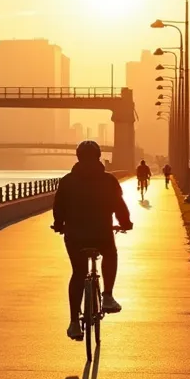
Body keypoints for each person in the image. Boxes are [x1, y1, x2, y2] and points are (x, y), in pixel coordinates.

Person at [51, 140, 133, 341]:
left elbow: (58, 207)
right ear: (98, 157)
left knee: (78, 273)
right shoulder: (108, 181)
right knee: (110, 254)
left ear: (78, 157)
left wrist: (59, 224)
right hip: (101, 232)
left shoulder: (67, 181)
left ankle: (73, 323)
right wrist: (125, 223)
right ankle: (107, 296)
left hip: (75, 236)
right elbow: (119, 205)